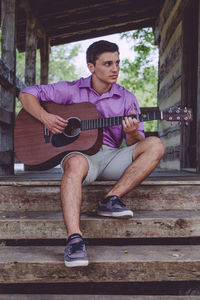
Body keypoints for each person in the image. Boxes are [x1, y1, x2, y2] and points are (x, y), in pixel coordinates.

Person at [19, 40, 165, 268]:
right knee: (75, 163)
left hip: (111, 156)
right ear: (91, 67)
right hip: (81, 157)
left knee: (156, 145)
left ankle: (110, 199)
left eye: (117, 63)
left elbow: (137, 144)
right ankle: (75, 239)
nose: (115, 69)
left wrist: (132, 132)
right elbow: (26, 94)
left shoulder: (127, 98)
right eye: (108, 63)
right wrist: (45, 117)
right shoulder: (71, 90)